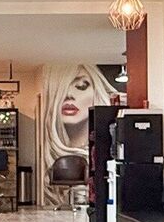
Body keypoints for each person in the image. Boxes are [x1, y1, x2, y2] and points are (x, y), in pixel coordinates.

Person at [41, 64, 113, 208]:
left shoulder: (101, 147)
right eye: (60, 89)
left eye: (81, 86)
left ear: (96, 93)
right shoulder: (49, 158)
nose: (68, 95)